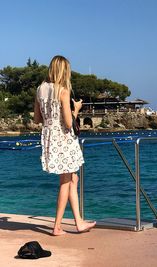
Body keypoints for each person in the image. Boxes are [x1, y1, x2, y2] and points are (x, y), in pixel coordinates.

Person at [34, 55, 96, 236]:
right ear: (64, 71)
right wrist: (76, 109)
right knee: (66, 181)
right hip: (63, 139)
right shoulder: (62, 90)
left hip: (49, 138)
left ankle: (79, 222)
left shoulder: (40, 89)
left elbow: (37, 119)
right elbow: (69, 123)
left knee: (72, 179)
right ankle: (57, 226)